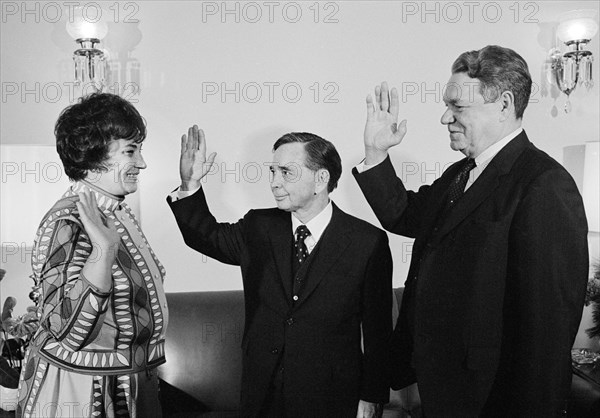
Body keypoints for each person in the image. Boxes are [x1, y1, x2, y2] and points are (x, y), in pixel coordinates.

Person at [353, 45, 589, 416]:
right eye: (447, 105)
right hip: (444, 388)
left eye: (458, 106)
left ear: (504, 104)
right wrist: (376, 153)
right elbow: (404, 216)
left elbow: (546, 329)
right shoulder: (459, 173)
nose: (446, 117)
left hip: (493, 399)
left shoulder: (544, 184)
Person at [168, 127, 392, 417]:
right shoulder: (258, 227)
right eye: (272, 171)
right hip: (262, 395)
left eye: (286, 172)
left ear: (321, 179)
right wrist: (190, 183)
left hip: (332, 398)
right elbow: (205, 236)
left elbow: (378, 331)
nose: (274, 182)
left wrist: (372, 396)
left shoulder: (367, 241)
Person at [17, 93, 168, 418]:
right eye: (130, 150)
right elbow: (66, 330)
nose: (141, 162)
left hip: (122, 379)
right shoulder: (68, 221)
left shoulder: (113, 211)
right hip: (85, 390)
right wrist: (103, 254)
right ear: (93, 155)